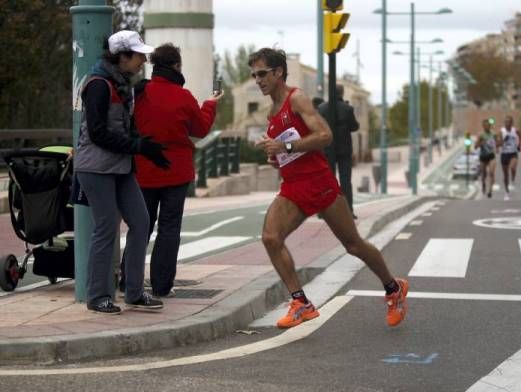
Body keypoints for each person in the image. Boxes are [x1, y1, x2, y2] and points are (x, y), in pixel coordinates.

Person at [250, 48, 408, 329]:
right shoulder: (271, 113)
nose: (257, 80)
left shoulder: (296, 98)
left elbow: (324, 136)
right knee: (271, 237)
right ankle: (301, 303)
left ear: (278, 72)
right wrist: (276, 157)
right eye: (254, 75)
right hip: (293, 187)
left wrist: (285, 146)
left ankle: (393, 288)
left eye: (262, 74)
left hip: (320, 183)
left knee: (353, 245)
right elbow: (289, 150)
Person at [74, 30, 166, 314]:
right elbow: (99, 133)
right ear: (122, 56)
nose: (143, 61)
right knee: (106, 227)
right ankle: (97, 295)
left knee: (141, 221)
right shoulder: (99, 84)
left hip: (120, 165)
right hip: (96, 167)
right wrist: (137, 146)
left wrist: (143, 146)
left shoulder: (122, 84)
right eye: (139, 56)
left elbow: (121, 127)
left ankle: (135, 292)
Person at [131, 43, 224, 297]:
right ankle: (162, 286)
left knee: (141, 226)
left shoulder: (139, 93)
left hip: (144, 171)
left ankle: (128, 280)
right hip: (176, 172)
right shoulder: (184, 97)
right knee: (169, 228)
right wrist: (210, 104)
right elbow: (200, 129)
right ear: (176, 65)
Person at [318, 85, 360, 217]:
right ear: (342, 93)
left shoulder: (322, 108)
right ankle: (349, 211)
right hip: (344, 150)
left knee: (327, 181)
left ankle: (324, 211)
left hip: (327, 149)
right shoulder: (347, 109)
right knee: (345, 181)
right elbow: (354, 127)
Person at [498, 115, 521, 200]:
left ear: (512, 123)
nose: (507, 123)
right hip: (504, 154)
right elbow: (499, 144)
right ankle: (506, 192)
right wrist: (504, 140)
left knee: (513, 167)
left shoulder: (515, 130)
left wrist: (519, 145)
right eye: (506, 121)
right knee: (505, 175)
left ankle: (513, 180)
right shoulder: (501, 131)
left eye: (509, 121)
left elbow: (520, 135)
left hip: (513, 153)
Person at [475, 119, 498, 198]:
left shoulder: (494, 134)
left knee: (491, 172)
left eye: (488, 125)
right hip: (483, 156)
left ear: (490, 126)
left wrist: (497, 147)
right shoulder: (480, 135)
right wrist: (481, 143)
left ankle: (490, 191)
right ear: (483, 126)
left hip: (491, 155)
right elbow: (475, 146)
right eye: (484, 125)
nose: (486, 127)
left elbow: (497, 142)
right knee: (484, 174)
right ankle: (484, 184)